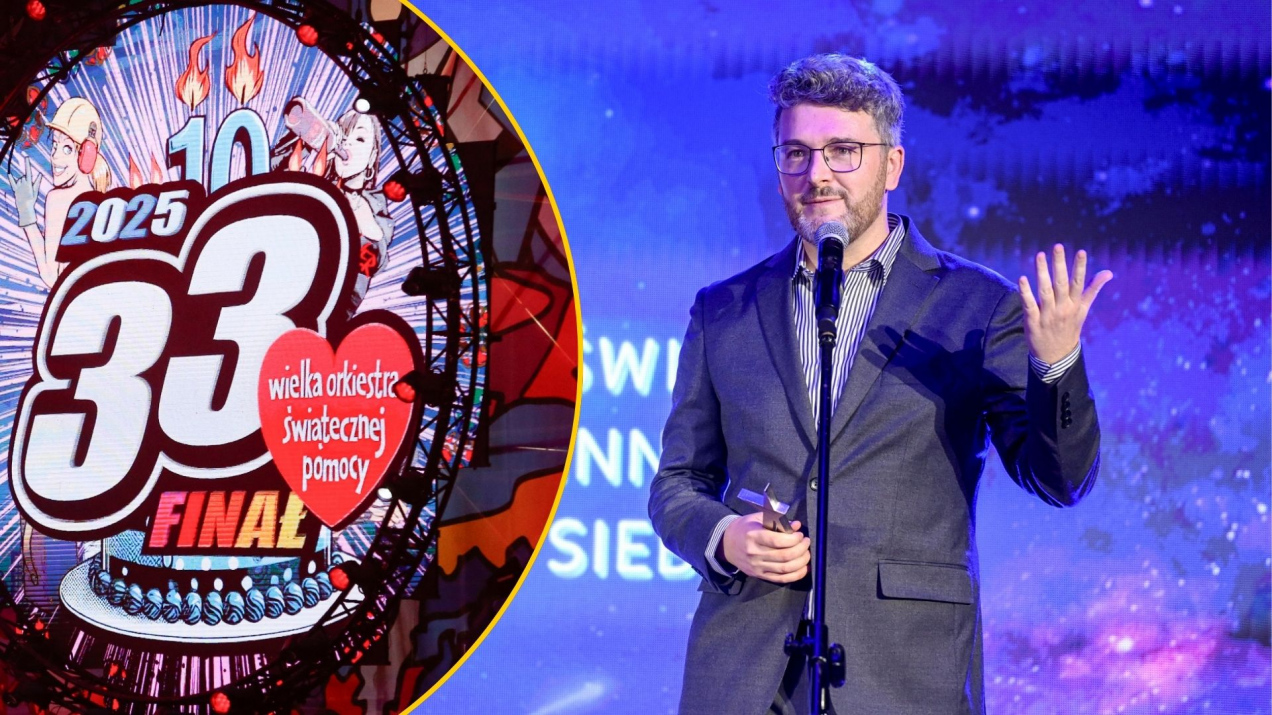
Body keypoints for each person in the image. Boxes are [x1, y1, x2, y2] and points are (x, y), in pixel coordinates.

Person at [648, 54, 1111, 715]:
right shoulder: (724, 310)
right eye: (797, 153)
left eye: (843, 151)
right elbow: (677, 484)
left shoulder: (976, 307)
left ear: (892, 165)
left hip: (905, 674)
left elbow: (1059, 479)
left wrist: (1056, 366)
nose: (817, 174)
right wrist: (724, 536)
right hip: (745, 676)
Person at [9, 97, 112, 289]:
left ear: (87, 154)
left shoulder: (58, 199)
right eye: (55, 145)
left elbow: (51, 276)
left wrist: (27, 214)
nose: (55, 156)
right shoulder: (105, 202)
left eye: (67, 148)